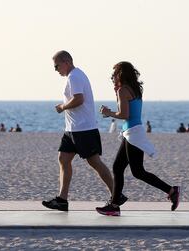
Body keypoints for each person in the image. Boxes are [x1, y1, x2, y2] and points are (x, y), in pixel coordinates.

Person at [98, 62, 180, 216]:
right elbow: (129, 112)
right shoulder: (134, 89)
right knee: (118, 167)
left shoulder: (123, 90)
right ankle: (114, 205)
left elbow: (124, 115)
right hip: (132, 131)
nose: (112, 78)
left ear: (121, 75)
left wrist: (109, 112)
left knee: (137, 171)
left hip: (133, 133)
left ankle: (171, 190)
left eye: (114, 75)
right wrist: (117, 94)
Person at [42, 50, 119, 212]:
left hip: (83, 128)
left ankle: (116, 195)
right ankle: (62, 200)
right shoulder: (73, 76)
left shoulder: (75, 76)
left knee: (94, 162)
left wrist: (62, 107)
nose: (56, 70)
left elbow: (79, 99)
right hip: (72, 129)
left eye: (56, 66)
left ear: (66, 62)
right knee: (63, 159)